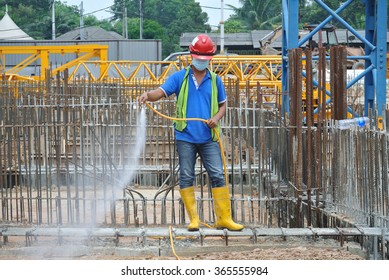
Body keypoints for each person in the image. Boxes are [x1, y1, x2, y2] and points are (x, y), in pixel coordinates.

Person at [139, 34, 243, 232]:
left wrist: (216, 118)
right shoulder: (179, 77)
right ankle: (194, 219)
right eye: (199, 58)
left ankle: (224, 219)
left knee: (218, 175)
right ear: (192, 55)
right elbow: (160, 92)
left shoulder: (215, 80)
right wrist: (147, 96)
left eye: (205, 60)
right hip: (185, 136)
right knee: (187, 176)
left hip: (209, 137)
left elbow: (223, 107)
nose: (202, 62)